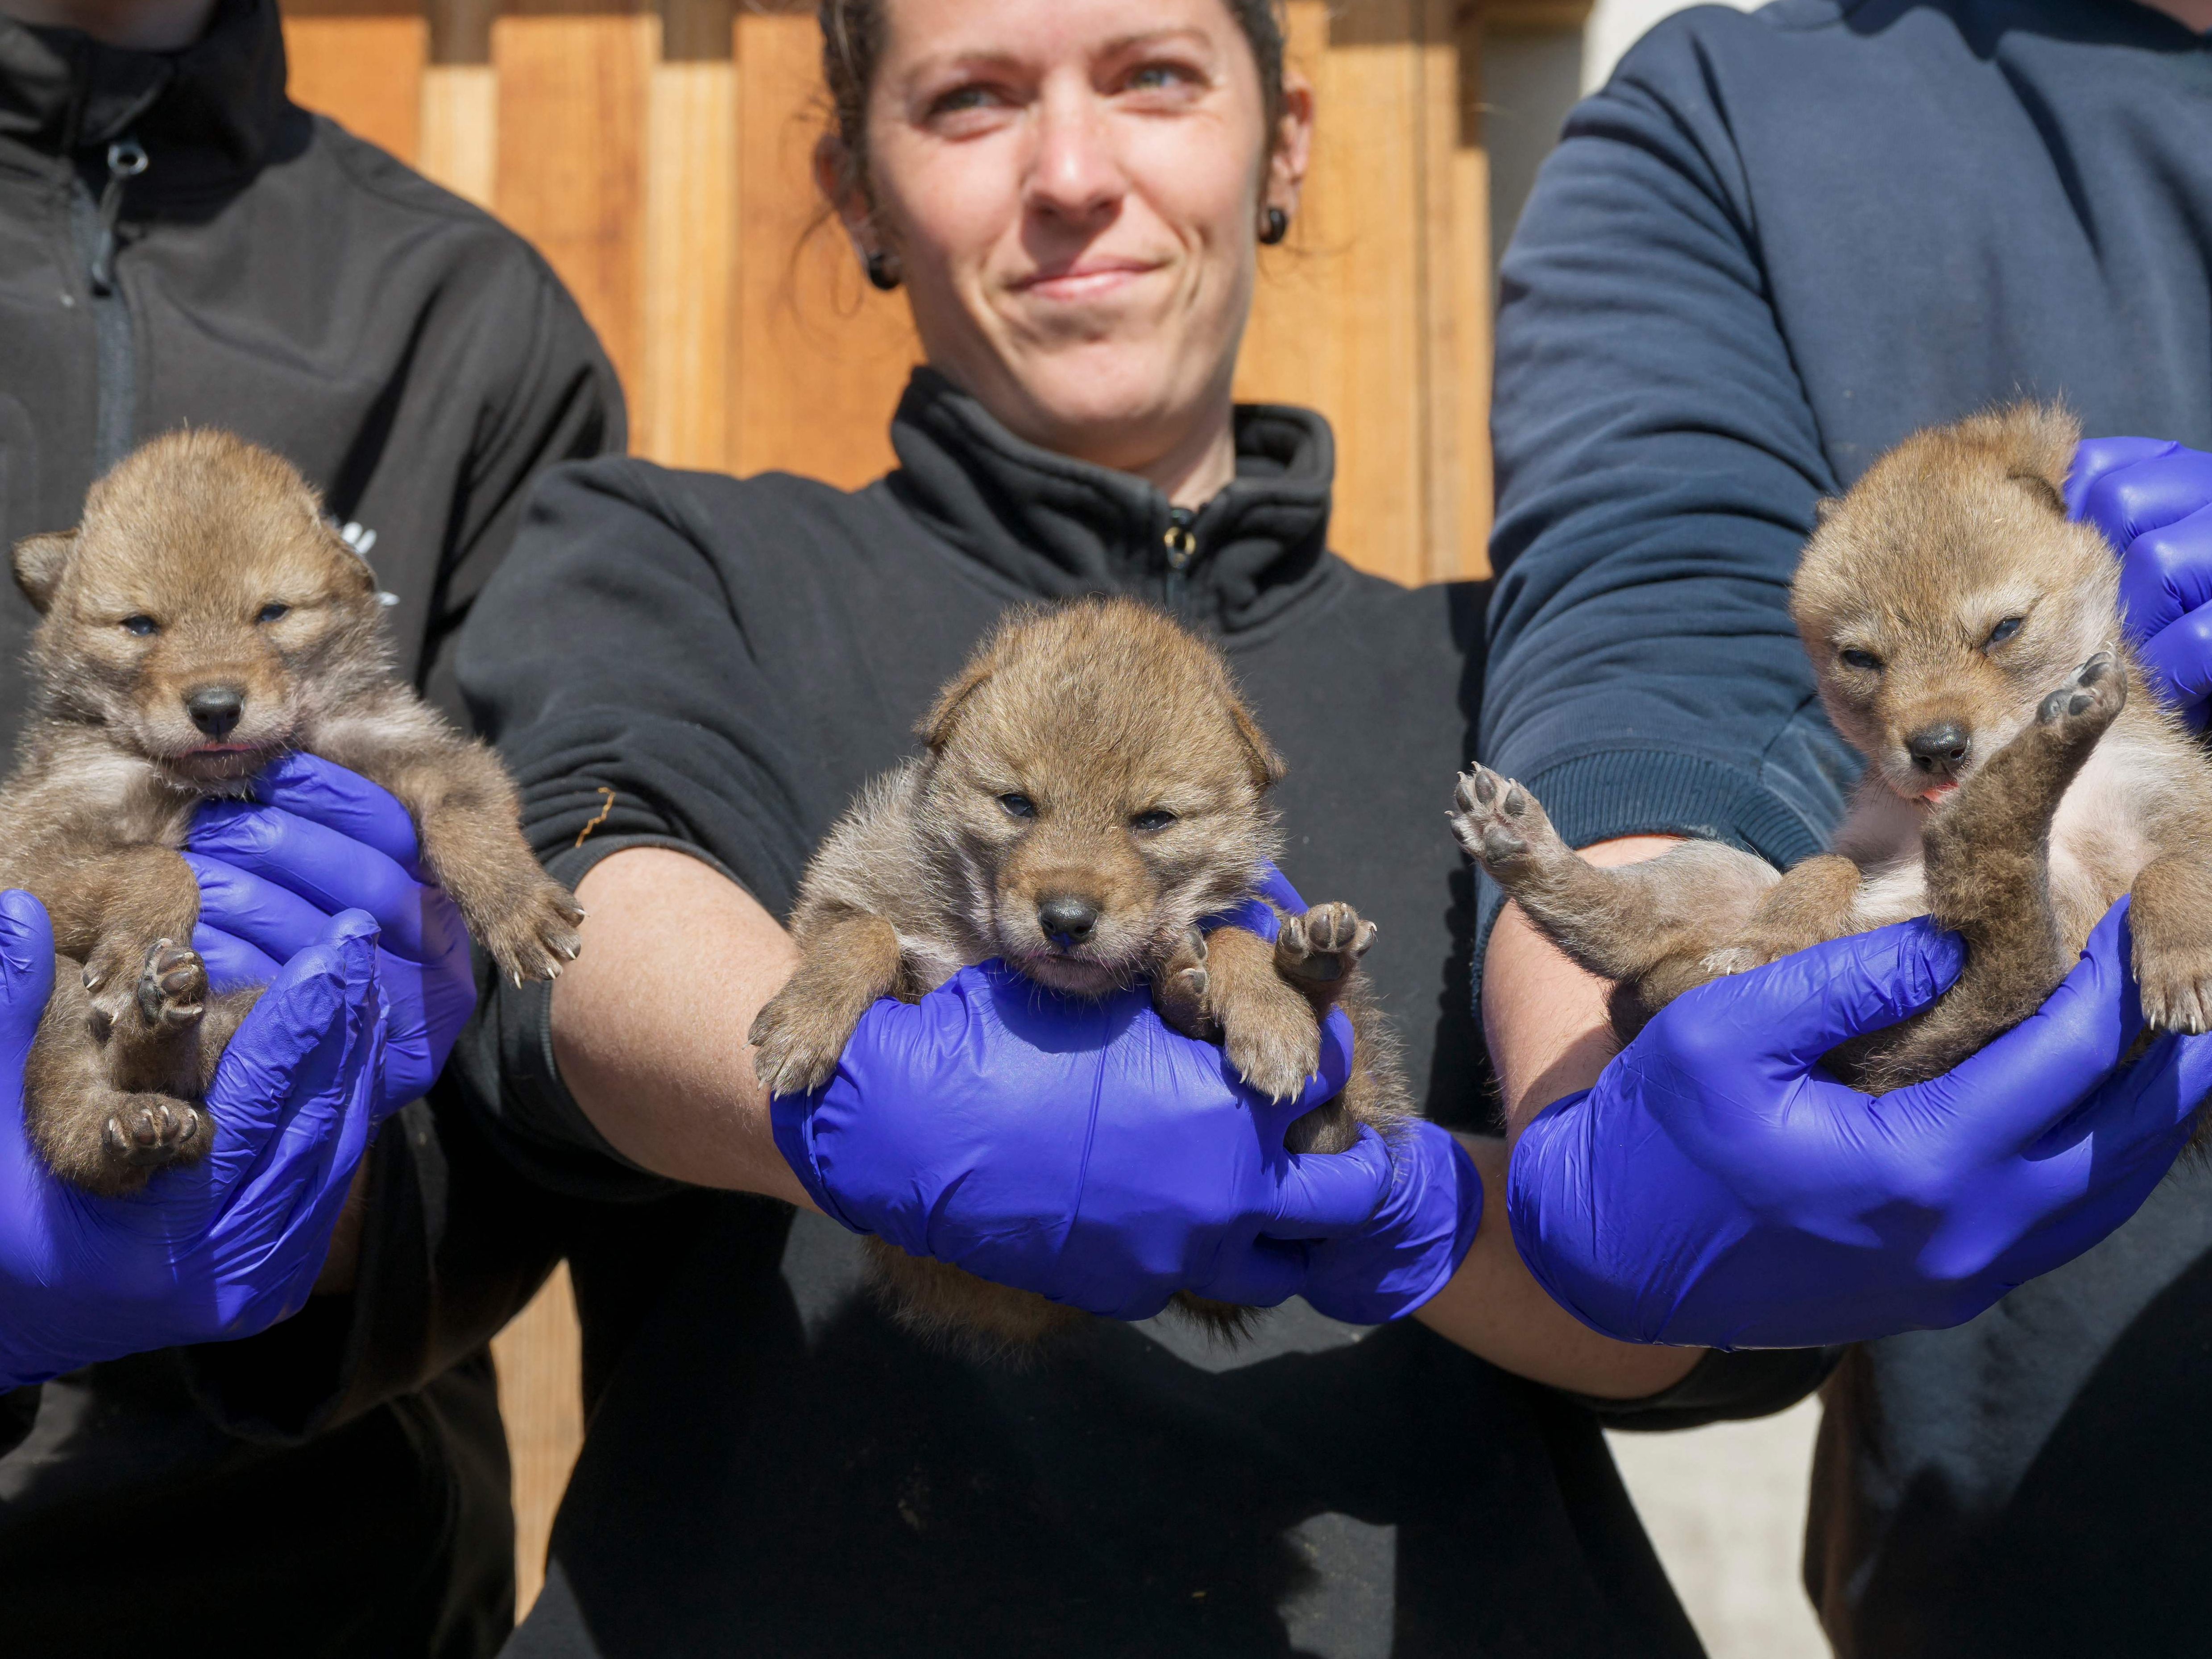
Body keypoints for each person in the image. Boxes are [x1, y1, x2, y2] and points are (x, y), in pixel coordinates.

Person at [431, 0, 1720, 1649]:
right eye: (971, 101)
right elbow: (568, 900)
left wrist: (1425, 1206)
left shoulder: (1499, 668)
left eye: (1153, 76)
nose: (1070, 173)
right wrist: (826, 1089)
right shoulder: (678, 563)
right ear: (858, 188)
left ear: (1288, 140)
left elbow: (1691, 1299)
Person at [1471, 0, 2212, 1652]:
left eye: (1999, 643)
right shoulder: (1738, 111)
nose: (1921, 712)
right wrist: (1621, 1032)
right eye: (1867, 669)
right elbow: (1650, 618)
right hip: (2042, 1557)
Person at [0, 0, 623, 1650]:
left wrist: (370, 1192)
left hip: (350, 1568)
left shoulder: (473, 318)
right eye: (135, 633)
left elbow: (550, 1089)